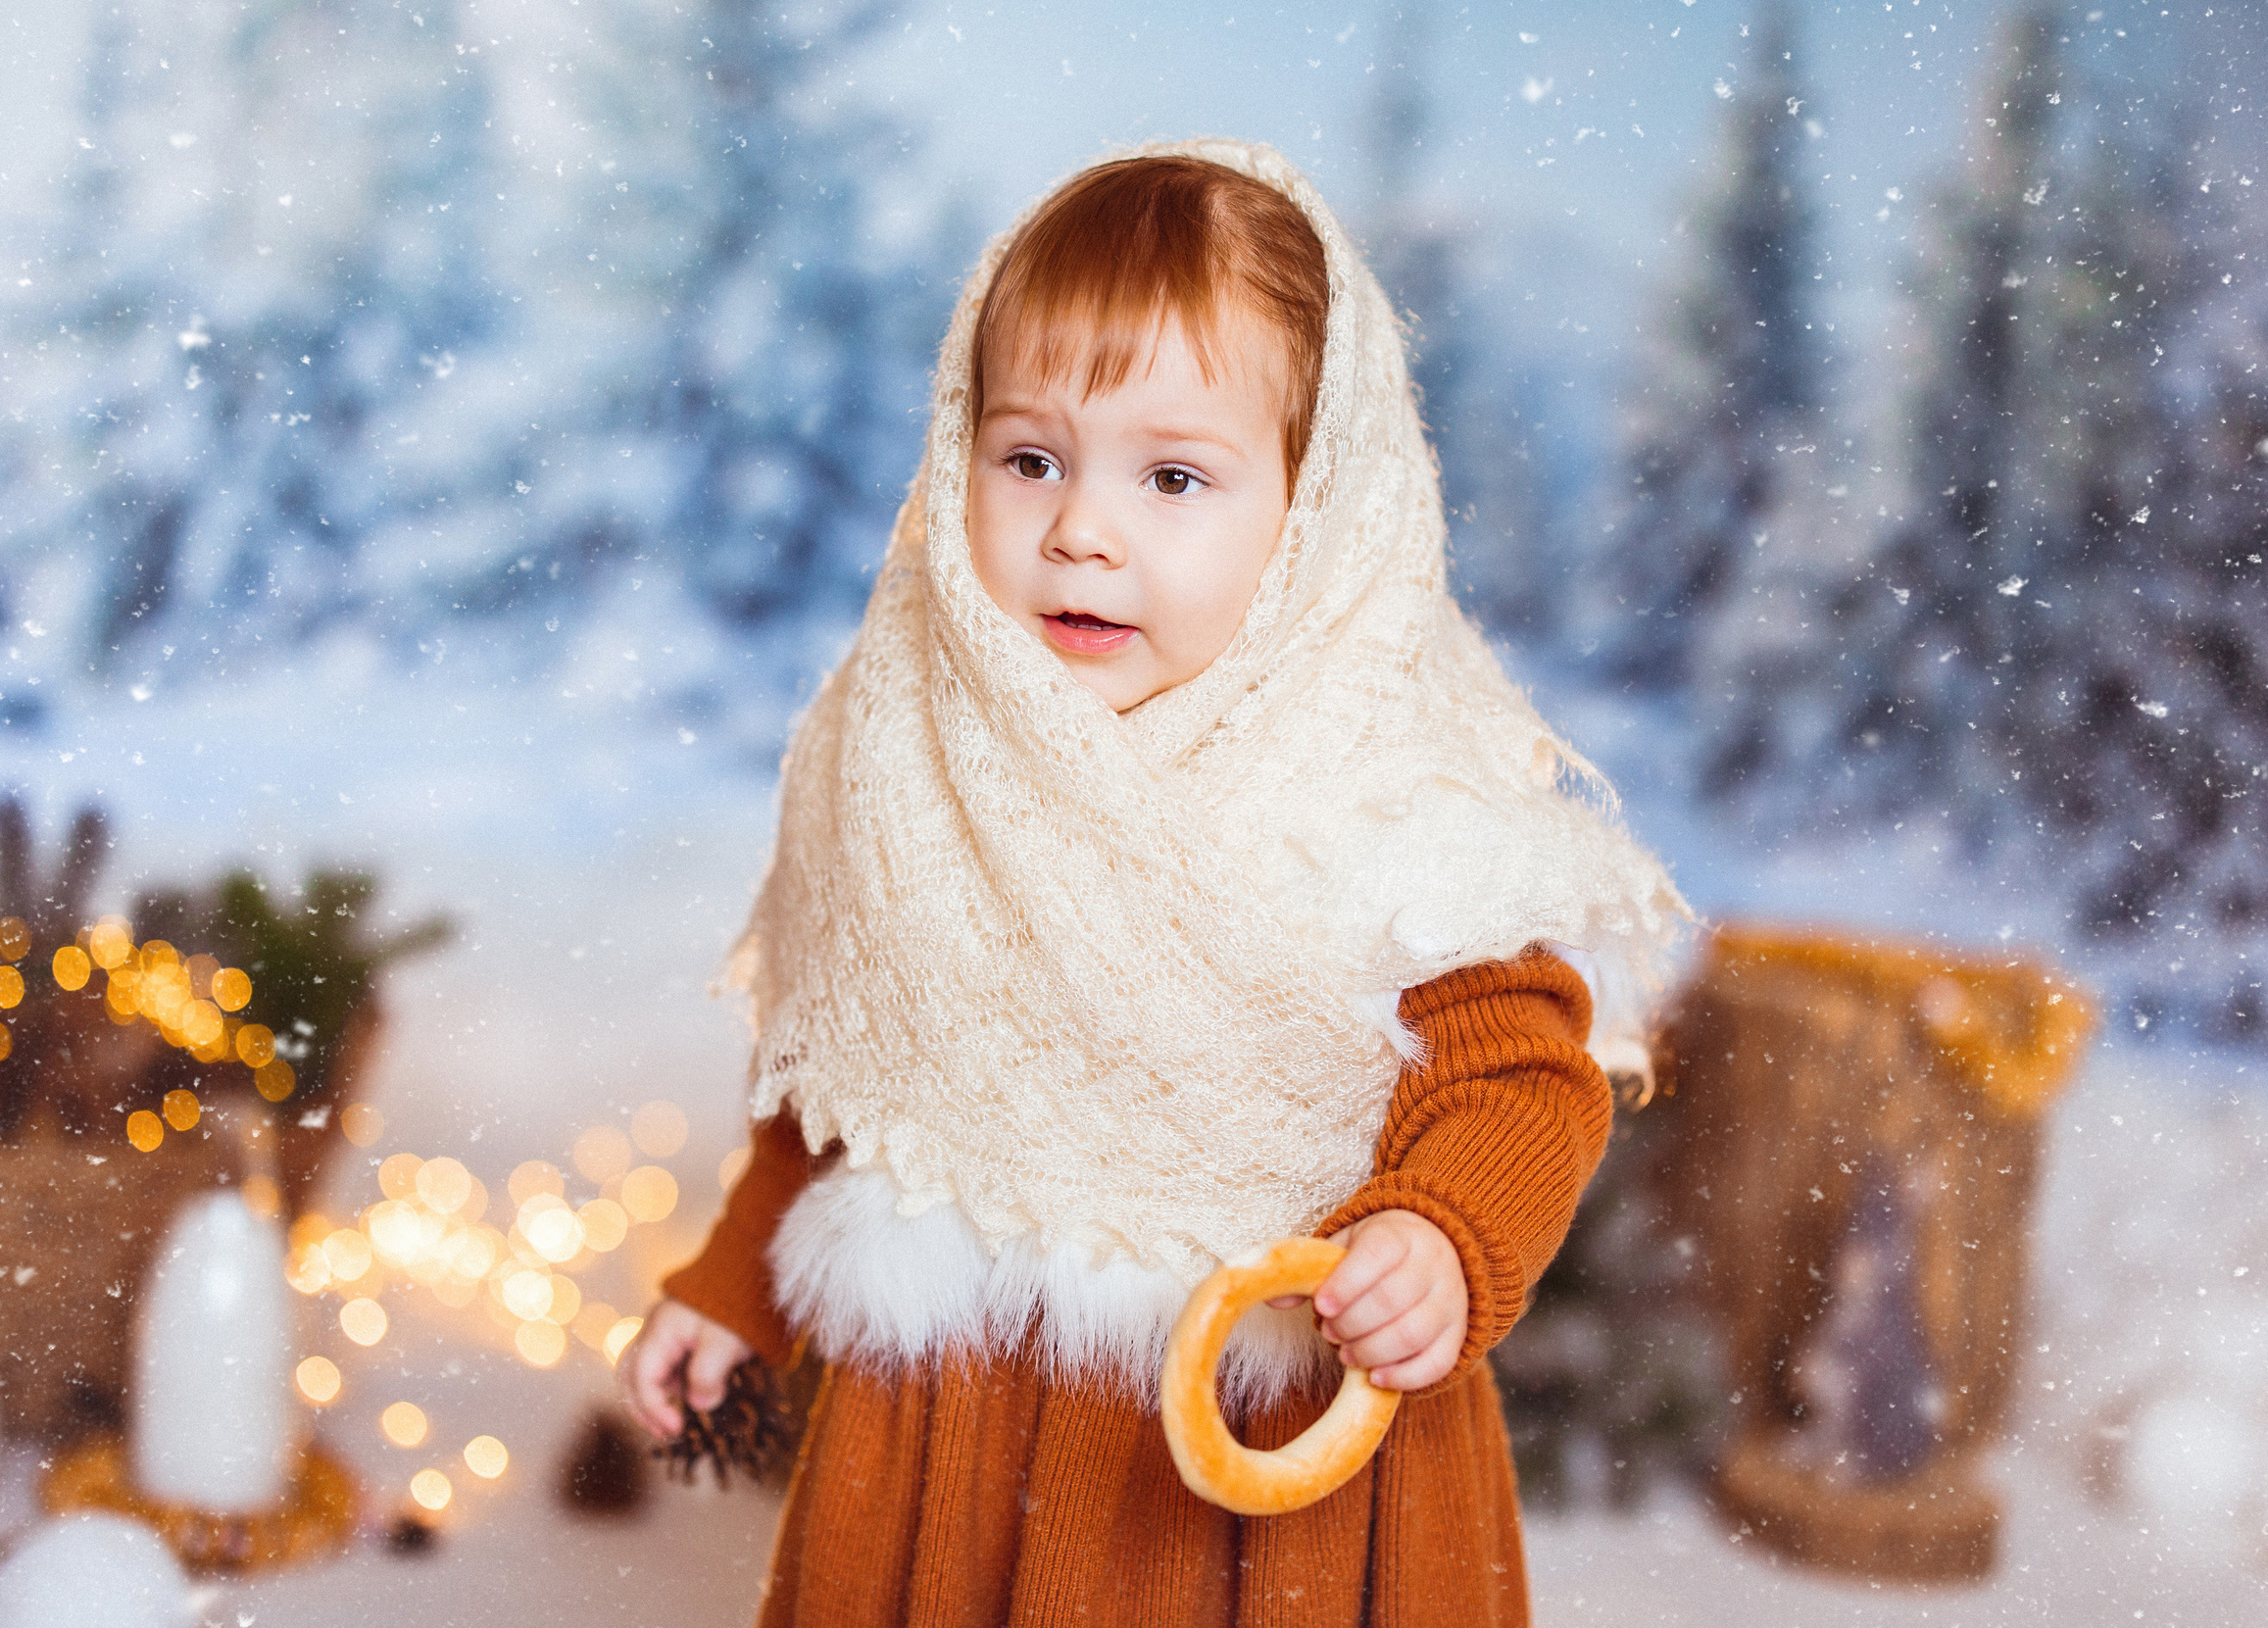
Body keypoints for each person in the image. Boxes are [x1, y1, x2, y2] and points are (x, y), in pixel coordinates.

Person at [625, 139, 1685, 1625]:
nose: (1081, 529)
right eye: (1031, 458)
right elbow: (854, 1078)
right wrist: (740, 1275)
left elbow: (1523, 1073)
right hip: (954, 1418)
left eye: (1173, 475)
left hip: (1270, 1456)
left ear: (1316, 515)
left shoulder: (1388, 784)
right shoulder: (912, 752)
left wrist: (1438, 1233)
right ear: (958, 454)